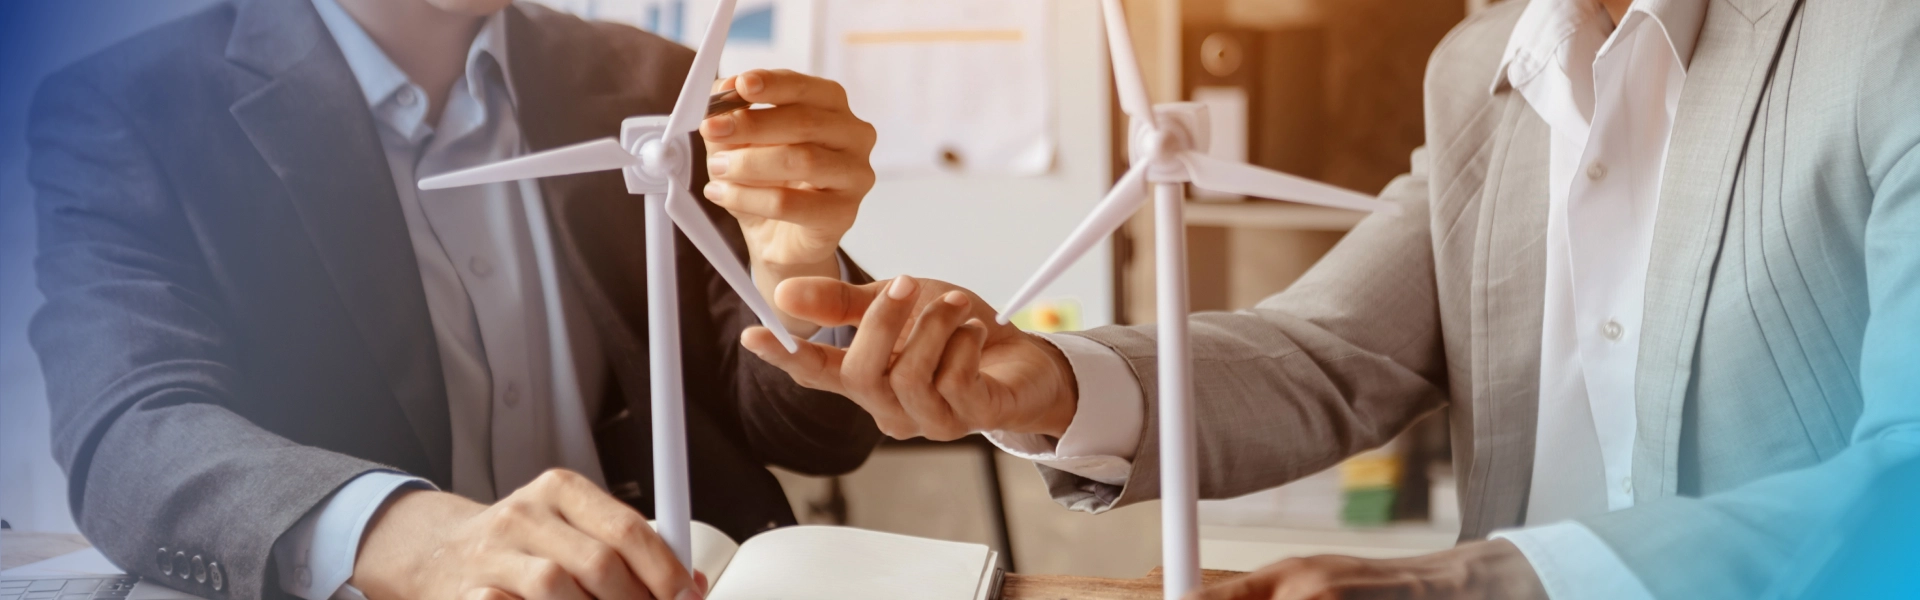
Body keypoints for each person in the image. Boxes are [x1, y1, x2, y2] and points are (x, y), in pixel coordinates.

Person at [745, 0, 1920, 598]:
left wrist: (1493, 586)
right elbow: (1328, 352)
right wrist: (1046, 379)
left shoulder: (1883, 41)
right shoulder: (1484, 64)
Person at [26, 0, 883, 598]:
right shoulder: (130, 108)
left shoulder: (652, 81)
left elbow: (812, 431)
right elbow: (129, 433)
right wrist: (410, 539)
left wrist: (793, 274)